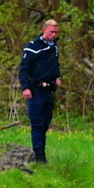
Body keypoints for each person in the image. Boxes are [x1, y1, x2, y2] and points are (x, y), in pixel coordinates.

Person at [18, 20, 62, 164]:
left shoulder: (54, 47)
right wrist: (25, 87)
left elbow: (55, 64)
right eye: (51, 32)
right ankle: (39, 157)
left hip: (49, 90)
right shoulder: (33, 47)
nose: (54, 35)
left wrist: (58, 77)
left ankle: (40, 150)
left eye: (56, 32)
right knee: (37, 123)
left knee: (45, 123)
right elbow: (24, 68)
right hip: (35, 89)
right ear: (44, 30)